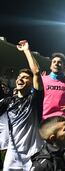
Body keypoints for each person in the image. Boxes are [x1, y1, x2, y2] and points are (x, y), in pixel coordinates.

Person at [0, 40, 44, 170]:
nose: (20, 79)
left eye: (25, 77)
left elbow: (36, 72)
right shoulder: (8, 102)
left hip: (33, 154)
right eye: (19, 77)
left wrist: (26, 50)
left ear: (31, 83)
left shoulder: (34, 100)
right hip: (12, 154)